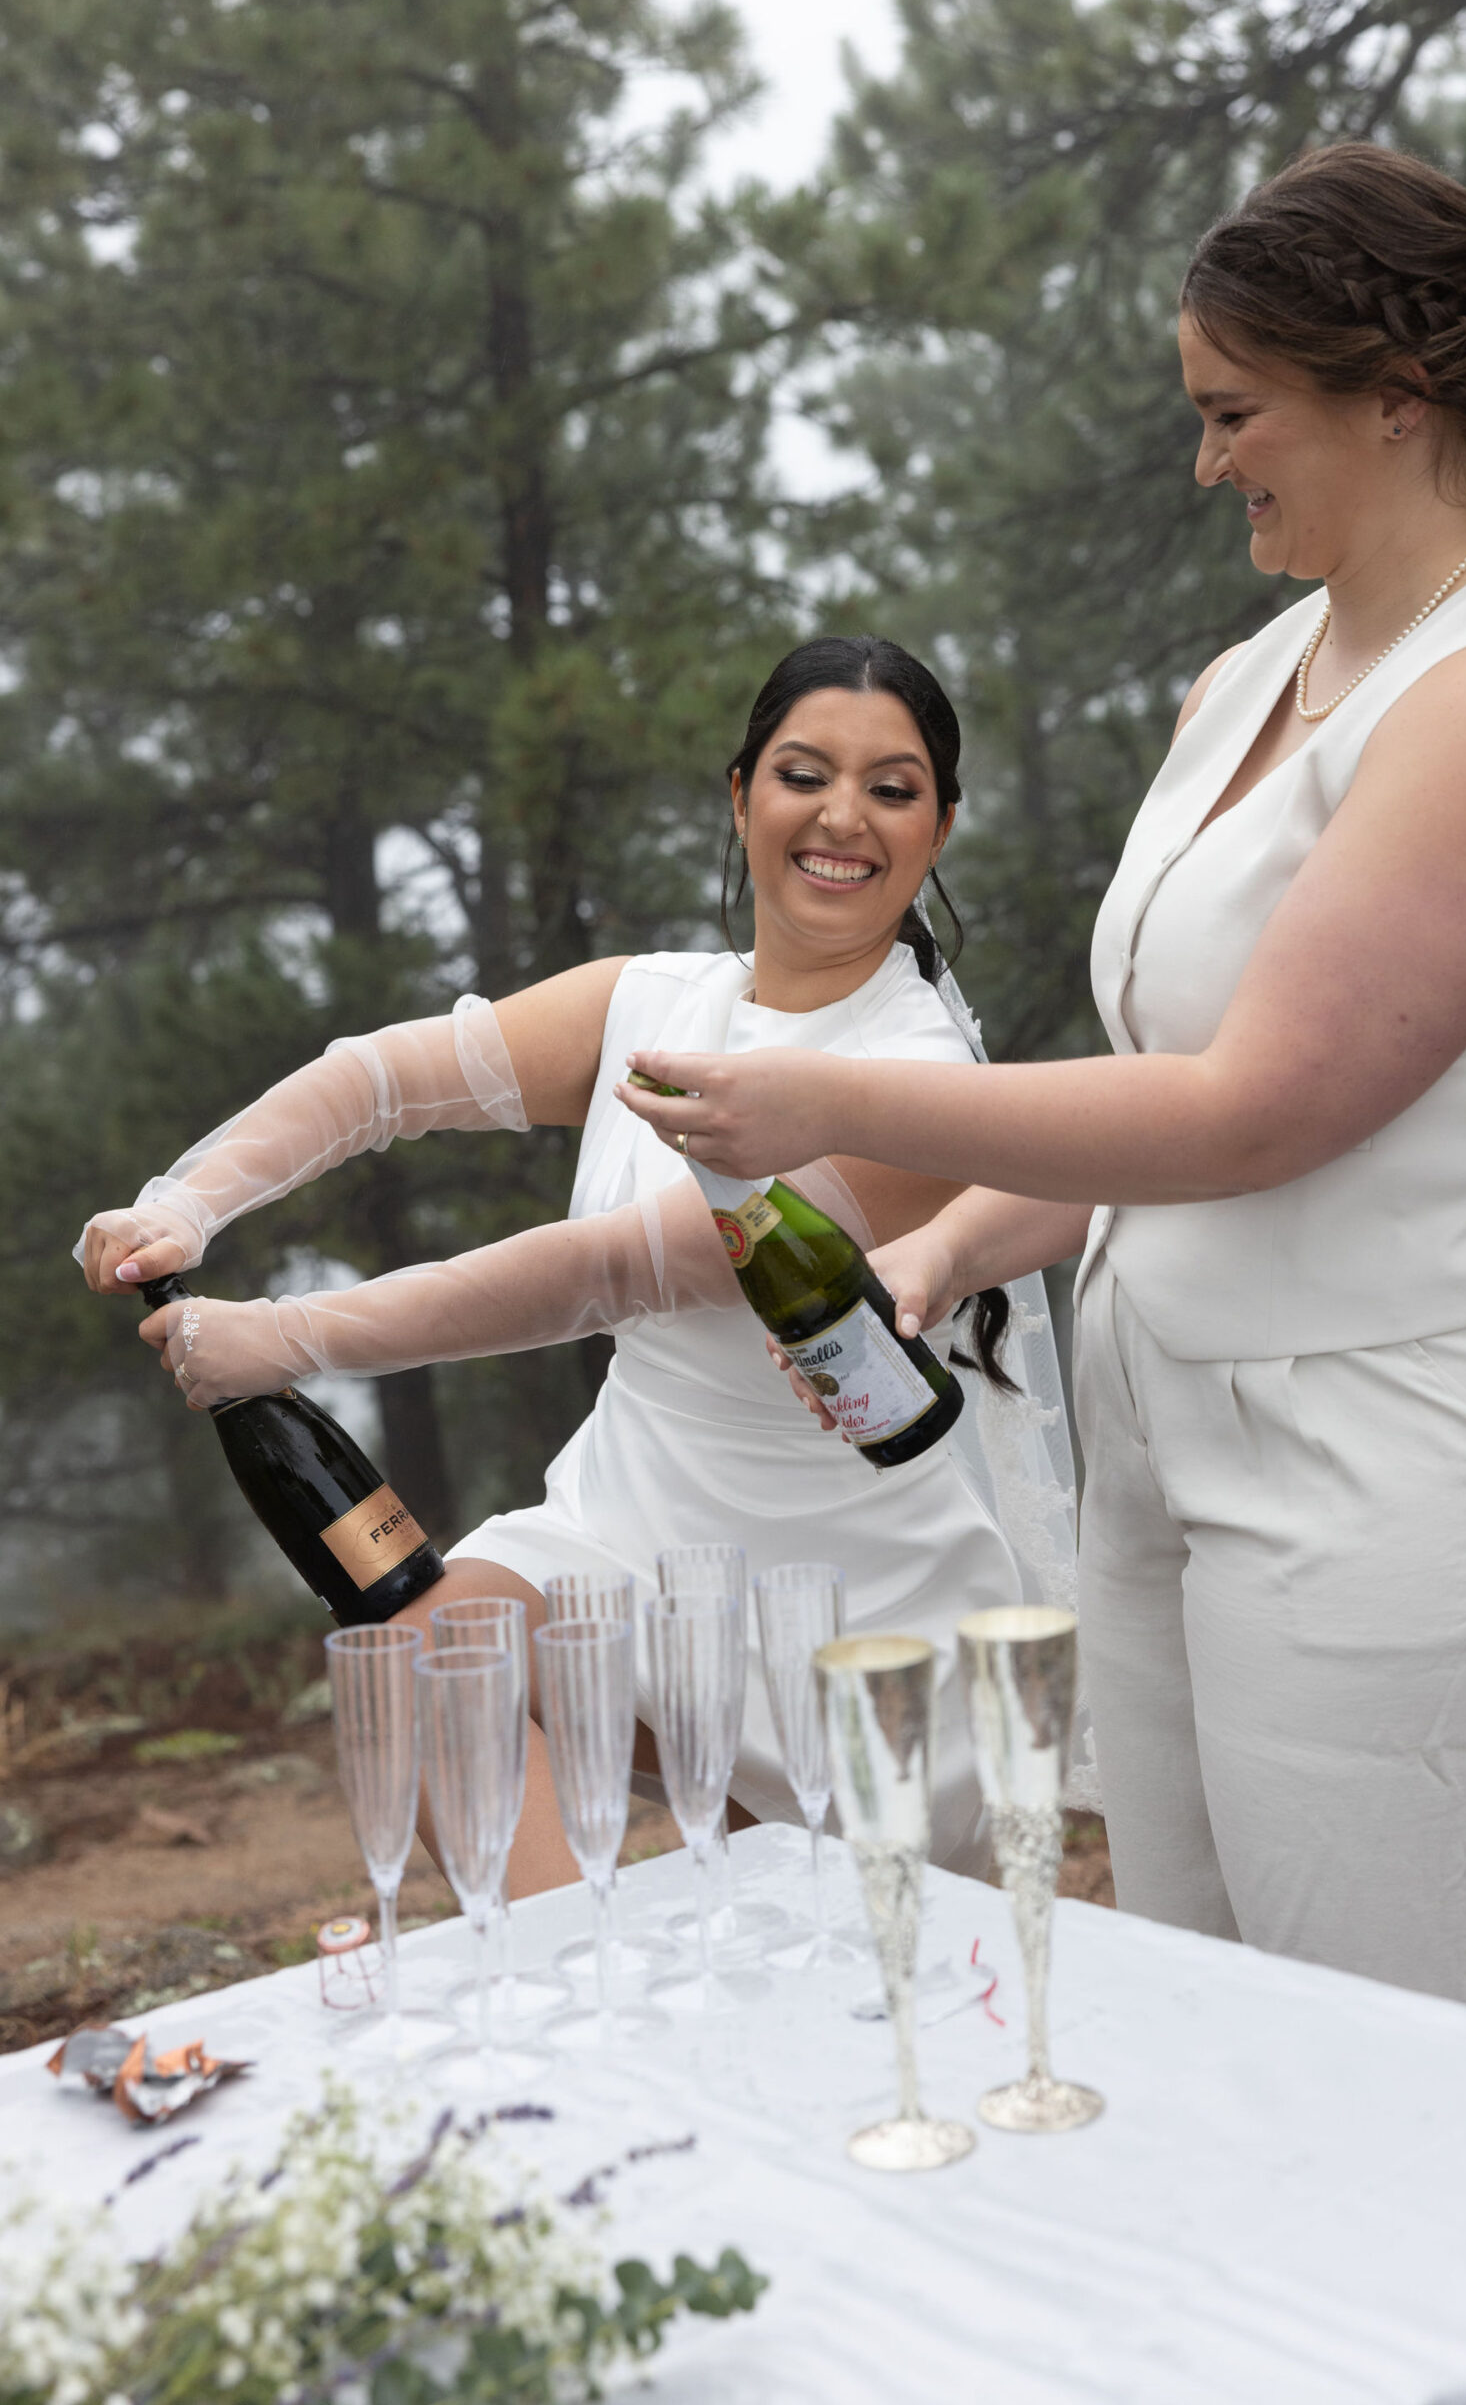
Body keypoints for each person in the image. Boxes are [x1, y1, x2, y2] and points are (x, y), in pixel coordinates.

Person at [619, 144, 1466, 2018]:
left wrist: (841, 1110)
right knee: (1213, 2011)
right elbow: (1152, 1092)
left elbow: (1255, 1110)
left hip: (1408, 1448)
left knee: (1392, 2045)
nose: (1208, 462)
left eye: (1233, 413)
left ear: (1395, 398)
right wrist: (936, 1268)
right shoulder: (1246, 678)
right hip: (1166, 1429)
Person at [78, 637, 1077, 1885]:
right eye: (802, 773)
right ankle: (567, 2014)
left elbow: (614, 1269)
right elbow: (380, 1080)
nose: (841, 816)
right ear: (738, 795)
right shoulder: (646, 1001)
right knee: (434, 1659)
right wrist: (186, 1200)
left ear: (937, 831)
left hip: (858, 1597)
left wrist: (282, 1338)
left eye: (892, 788)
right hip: (633, 1521)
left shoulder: (920, 1075)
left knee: (838, 1997)